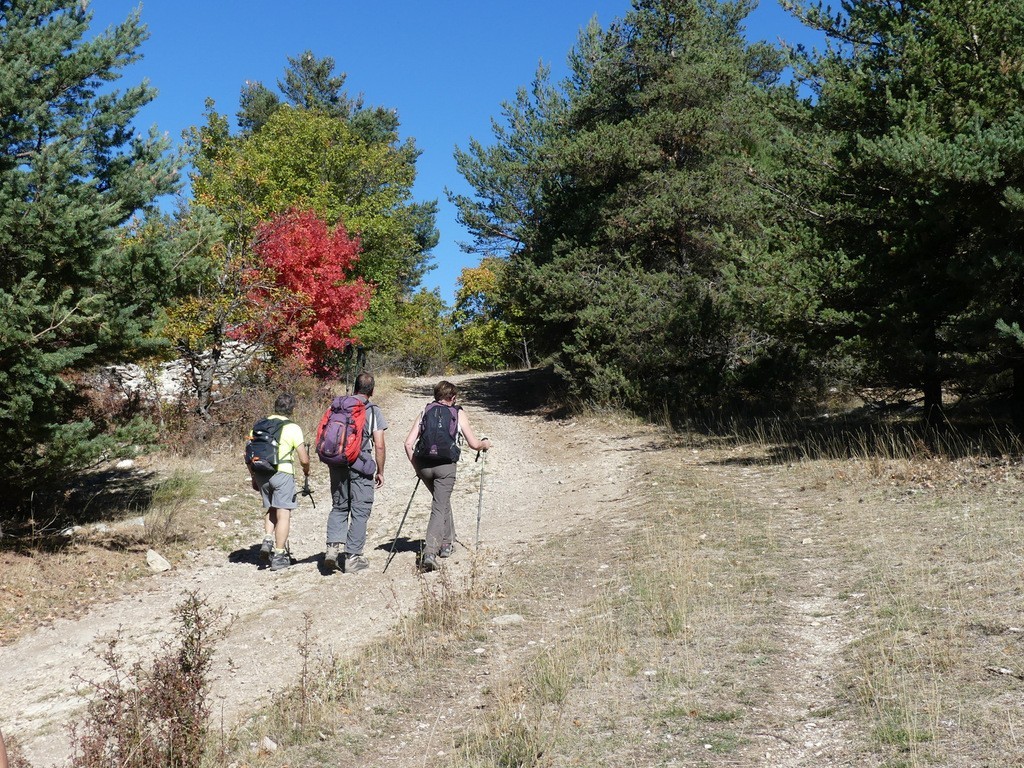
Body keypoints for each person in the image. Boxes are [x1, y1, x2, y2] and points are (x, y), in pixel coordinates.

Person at [404, 380, 490, 572]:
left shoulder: (424, 412)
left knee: (442, 502)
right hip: (445, 467)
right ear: (453, 397)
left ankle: (447, 543)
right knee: (439, 506)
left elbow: (408, 444)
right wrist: (485, 444)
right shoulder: (457, 413)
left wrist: (417, 467)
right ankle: (430, 553)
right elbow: (474, 444)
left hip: (424, 466)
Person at [324, 372, 387, 574]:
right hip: (361, 463)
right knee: (360, 510)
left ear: (354, 387)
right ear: (372, 391)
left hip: (337, 461)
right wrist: (380, 470)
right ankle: (352, 557)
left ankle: (332, 549)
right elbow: (379, 445)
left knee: (339, 506)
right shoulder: (372, 410)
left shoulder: (338, 407)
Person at [251, 392, 310, 572]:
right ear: (291, 409)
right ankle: (279, 555)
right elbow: (303, 458)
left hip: (261, 472)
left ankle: (268, 538)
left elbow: (249, 453)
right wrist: (307, 472)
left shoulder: (259, 424)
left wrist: (254, 477)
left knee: (271, 509)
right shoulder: (292, 428)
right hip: (282, 472)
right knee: (283, 514)